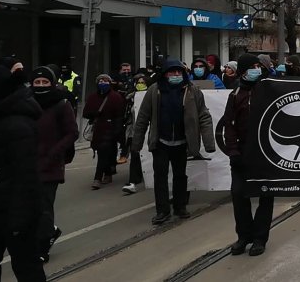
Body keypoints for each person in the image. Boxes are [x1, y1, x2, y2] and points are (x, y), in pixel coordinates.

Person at [132, 58, 215, 224]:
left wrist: (209, 143)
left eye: (179, 72)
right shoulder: (154, 91)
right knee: (160, 177)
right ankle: (162, 211)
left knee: (180, 176)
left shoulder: (193, 91)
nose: (176, 74)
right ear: (165, 74)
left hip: (182, 143)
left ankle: (180, 207)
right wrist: (137, 143)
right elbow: (142, 118)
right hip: (161, 143)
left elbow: (204, 117)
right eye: (172, 71)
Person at [0, 65, 47, 282]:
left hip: (17, 214)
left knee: (26, 265)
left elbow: (26, 179)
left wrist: (19, 221)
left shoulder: (17, 125)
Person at [222, 54, 274, 257]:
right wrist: (233, 151)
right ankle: (244, 236)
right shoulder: (235, 94)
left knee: (265, 195)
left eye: (257, 66)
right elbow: (229, 124)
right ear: (243, 71)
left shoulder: (267, 89)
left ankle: (260, 238)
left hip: (265, 153)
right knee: (238, 194)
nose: (256, 70)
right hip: (242, 153)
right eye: (252, 67)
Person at [29, 66, 78, 263]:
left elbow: (72, 133)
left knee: (43, 207)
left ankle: (42, 247)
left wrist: (54, 152)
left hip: (50, 165)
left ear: (52, 83)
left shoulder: (61, 104)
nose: (40, 86)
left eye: (45, 82)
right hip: (28, 163)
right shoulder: (26, 102)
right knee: (29, 206)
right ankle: (50, 231)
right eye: (37, 82)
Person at [83, 74, 126, 190]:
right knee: (102, 153)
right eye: (101, 81)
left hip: (110, 129)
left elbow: (119, 116)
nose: (103, 82)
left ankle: (97, 178)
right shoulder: (92, 97)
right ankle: (107, 172)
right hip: (97, 130)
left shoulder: (115, 97)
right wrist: (94, 114)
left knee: (104, 152)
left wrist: (118, 132)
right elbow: (85, 113)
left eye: (106, 81)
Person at [122, 73, 149, 195]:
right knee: (135, 155)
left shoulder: (152, 95)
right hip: (135, 132)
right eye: (138, 82)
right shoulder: (131, 98)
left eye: (143, 82)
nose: (140, 84)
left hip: (149, 132)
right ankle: (132, 182)